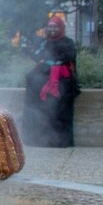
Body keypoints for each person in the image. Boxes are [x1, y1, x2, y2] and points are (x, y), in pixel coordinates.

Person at [22, 16, 80, 147]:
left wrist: (52, 63)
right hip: (44, 74)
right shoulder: (43, 43)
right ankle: (36, 138)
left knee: (60, 102)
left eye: (55, 27)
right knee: (34, 90)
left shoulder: (67, 42)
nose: (52, 29)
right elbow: (36, 56)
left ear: (60, 28)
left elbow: (68, 57)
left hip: (61, 77)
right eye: (50, 26)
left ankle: (59, 140)